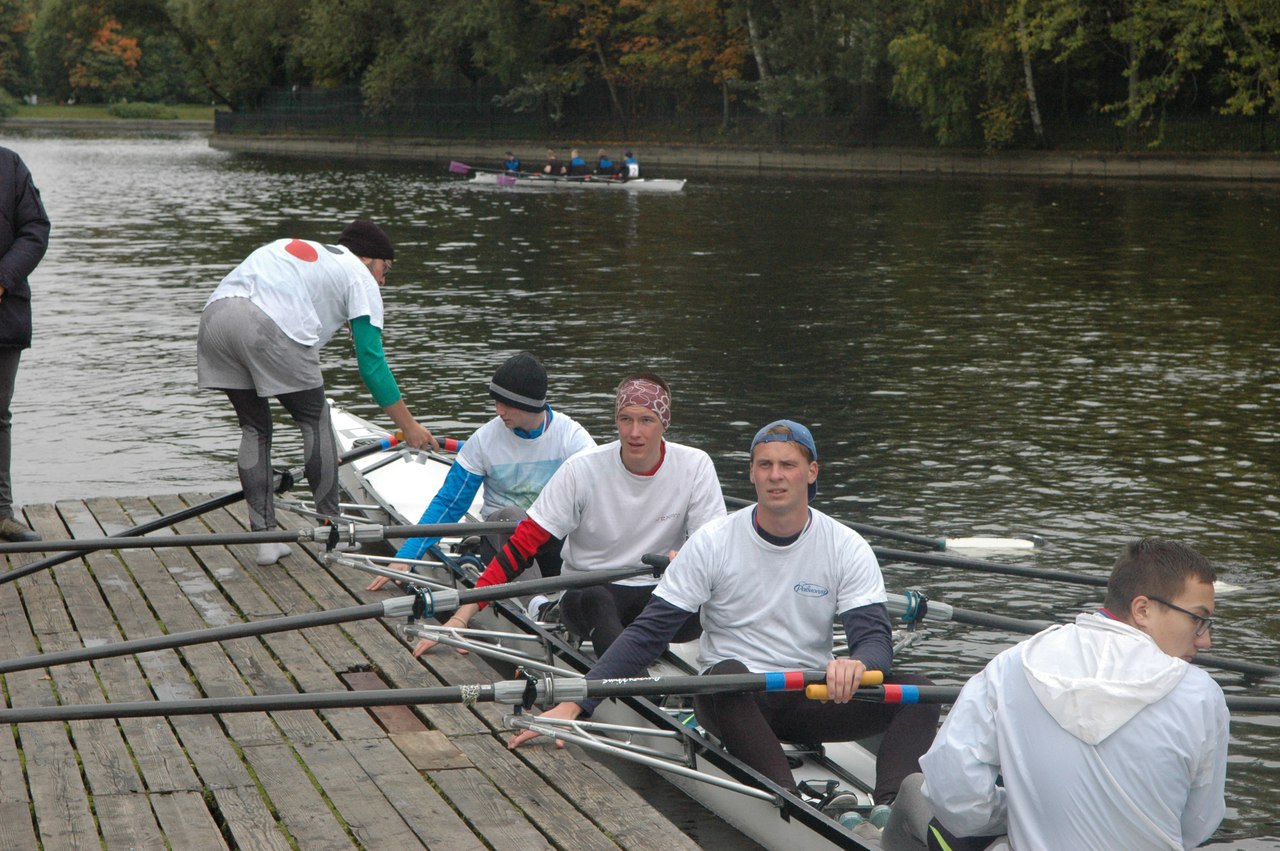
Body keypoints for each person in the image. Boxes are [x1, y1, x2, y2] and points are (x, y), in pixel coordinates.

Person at [509, 419, 940, 836]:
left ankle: (890, 811)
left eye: (788, 465)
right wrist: (576, 704)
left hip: (808, 696)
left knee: (917, 692)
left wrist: (860, 662)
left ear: (811, 473)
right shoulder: (713, 541)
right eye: (765, 465)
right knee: (726, 676)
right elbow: (647, 634)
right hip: (733, 697)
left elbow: (874, 639)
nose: (776, 476)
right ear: (751, 472)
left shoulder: (846, 546)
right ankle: (793, 808)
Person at [890, 537, 1227, 851]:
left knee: (911, 792)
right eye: (1198, 620)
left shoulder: (1014, 664)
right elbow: (1198, 825)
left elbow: (953, 794)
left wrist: (1022, 811)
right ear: (1142, 610)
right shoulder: (1202, 695)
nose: (1205, 640)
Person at [414, 372, 723, 658]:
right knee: (596, 600)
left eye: (647, 420)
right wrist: (461, 615)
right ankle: (636, 689)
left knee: (712, 597)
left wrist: (686, 554)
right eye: (625, 419)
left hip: (657, 591)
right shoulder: (582, 469)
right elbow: (521, 547)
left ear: (664, 423)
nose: (634, 432)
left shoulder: (695, 466)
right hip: (591, 594)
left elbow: (713, 552)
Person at [197, 220, 437, 566]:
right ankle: (332, 536)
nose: (384, 281)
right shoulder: (358, 274)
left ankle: (265, 540)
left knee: (255, 427)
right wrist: (409, 426)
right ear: (369, 258)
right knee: (315, 419)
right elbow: (371, 364)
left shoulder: (315, 259)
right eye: (386, 269)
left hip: (215, 318)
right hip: (265, 323)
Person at [367, 351, 595, 592]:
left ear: (528, 403)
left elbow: (600, 496)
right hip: (501, 541)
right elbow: (450, 503)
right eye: (496, 402)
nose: (498, 411)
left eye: (505, 403)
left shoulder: (572, 438)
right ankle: (537, 602)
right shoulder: (484, 440)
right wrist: (407, 556)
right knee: (510, 516)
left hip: (551, 543)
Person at [0, 146, 51, 543]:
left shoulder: (9, 164)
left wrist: (3, 279)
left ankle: (1, 514)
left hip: (4, 311)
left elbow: (35, 230)